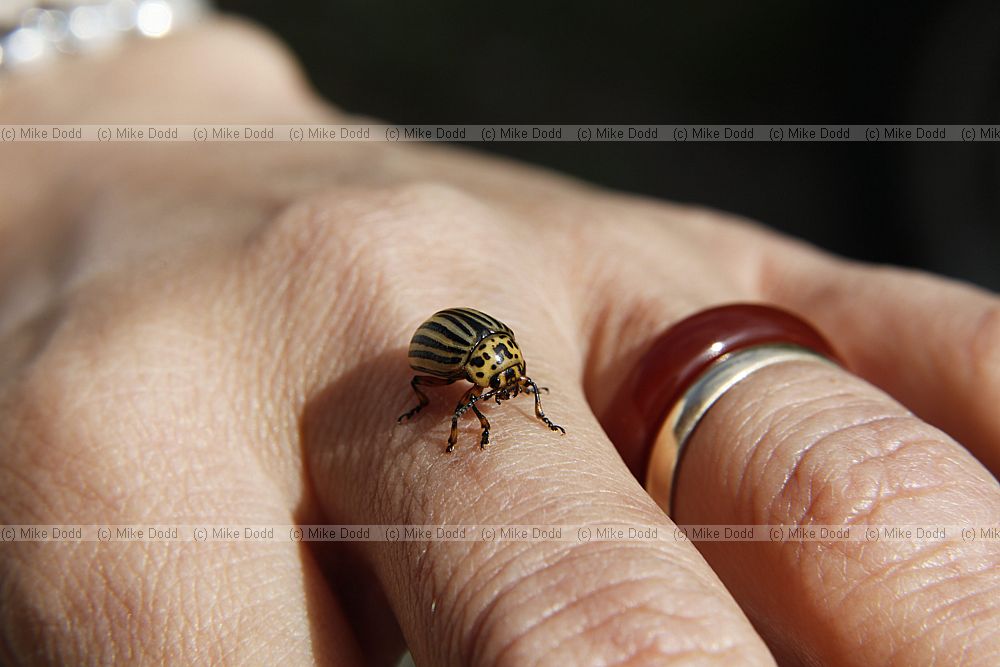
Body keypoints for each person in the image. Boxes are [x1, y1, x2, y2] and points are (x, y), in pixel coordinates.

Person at [1, 14, 998, 666]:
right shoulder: (455, 375)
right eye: (501, 381)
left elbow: (491, 374)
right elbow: (447, 376)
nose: (507, 389)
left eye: (504, 381)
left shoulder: (494, 372)